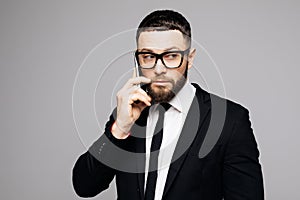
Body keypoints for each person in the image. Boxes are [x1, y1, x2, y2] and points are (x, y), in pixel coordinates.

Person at [72, 10, 264, 200]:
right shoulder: (127, 116)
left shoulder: (230, 121)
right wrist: (119, 129)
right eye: (147, 56)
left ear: (189, 58)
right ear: (137, 58)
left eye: (171, 56)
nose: (159, 69)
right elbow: (84, 186)